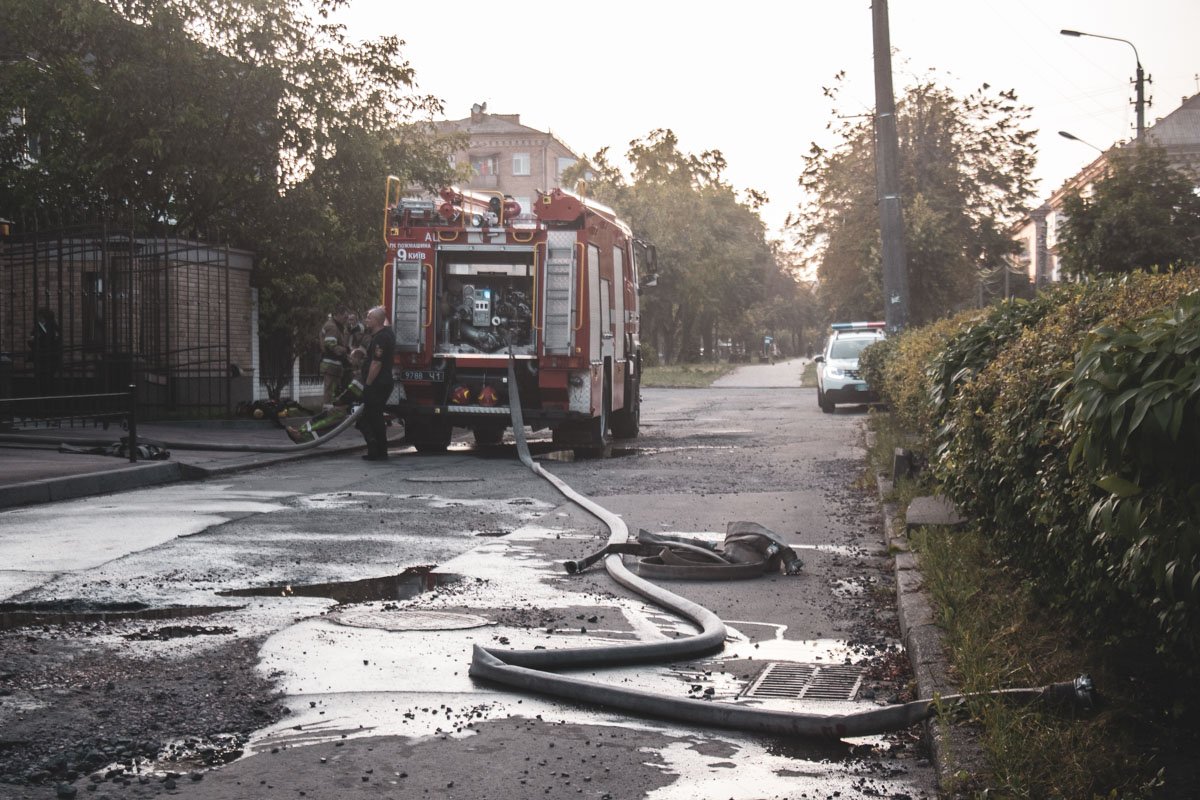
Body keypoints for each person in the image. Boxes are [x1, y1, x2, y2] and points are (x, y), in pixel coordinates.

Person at [357, 306, 395, 461]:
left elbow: (376, 363)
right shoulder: (385, 335)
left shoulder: (381, 338)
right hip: (382, 382)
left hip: (378, 383)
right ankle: (380, 450)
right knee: (374, 416)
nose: (366, 320)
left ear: (377, 320)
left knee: (370, 418)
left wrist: (368, 384)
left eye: (369, 318)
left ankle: (376, 450)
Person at [319, 310, 349, 409]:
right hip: (331, 364)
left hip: (333, 365)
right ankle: (328, 411)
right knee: (330, 391)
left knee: (333, 390)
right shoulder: (332, 327)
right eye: (345, 317)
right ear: (338, 315)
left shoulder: (336, 326)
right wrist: (345, 350)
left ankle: (331, 410)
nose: (346, 320)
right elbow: (330, 344)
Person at [28, 308, 62, 396]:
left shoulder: (53, 326)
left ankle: (48, 395)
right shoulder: (37, 326)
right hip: (40, 356)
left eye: (41, 316)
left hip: (51, 356)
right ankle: (41, 395)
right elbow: (31, 340)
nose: (39, 318)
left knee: (49, 377)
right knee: (40, 377)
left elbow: (57, 339)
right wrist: (33, 339)